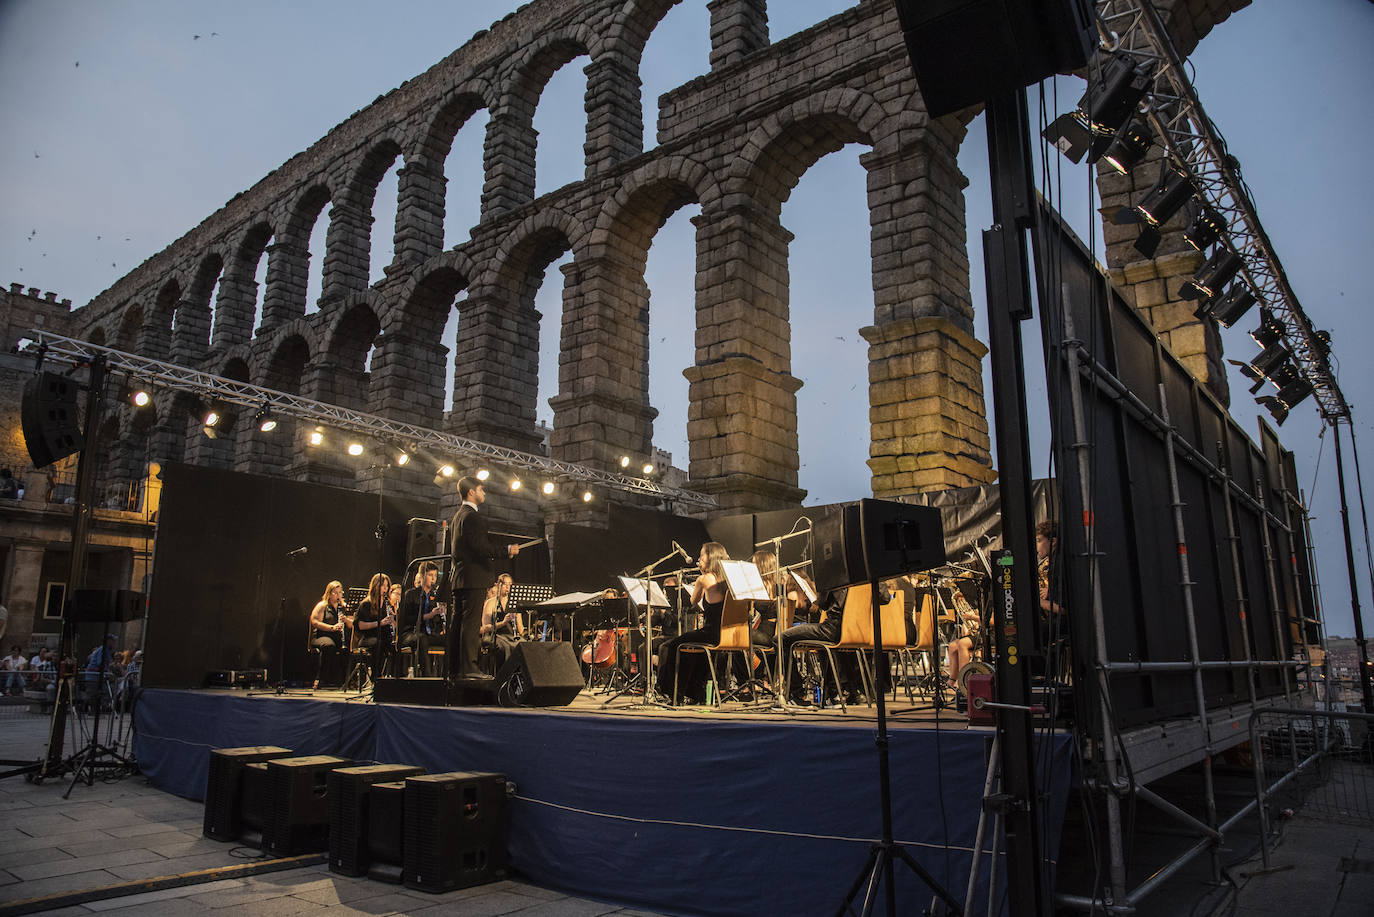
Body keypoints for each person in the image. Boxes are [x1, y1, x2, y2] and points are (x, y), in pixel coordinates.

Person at [450, 476, 519, 680]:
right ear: (471, 492)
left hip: (461, 577)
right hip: (474, 578)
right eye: (481, 489)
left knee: (459, 623)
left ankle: (455, 668)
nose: (484, 492)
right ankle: (469, 668)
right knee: (470, 624)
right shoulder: (472, 517)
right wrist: (505, 550)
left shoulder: (457, 516)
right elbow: (480, 547)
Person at [656, 542, 729, 703]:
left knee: (675, 645)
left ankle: (675, 693)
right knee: (693, 646)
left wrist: (701, 574)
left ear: (711, 558)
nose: (698, 558)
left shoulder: (703, 579)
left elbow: (693, 601)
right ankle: (696, 692)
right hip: (728, 633)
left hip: (712, 633)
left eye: (702, 555)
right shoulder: (729, 580)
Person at [399, 561, 446, 676]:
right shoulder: (410, 594)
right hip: (411, 633)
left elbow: (438, 620)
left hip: (430, 634)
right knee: (422, 640)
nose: (433, 579)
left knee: (450, 639)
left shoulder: (435, 596)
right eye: (430, 575)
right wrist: (428, 615)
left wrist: (443, 622)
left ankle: (447, 676)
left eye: (435, 576)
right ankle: (427, 678)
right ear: (422, 576)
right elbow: (406, 619)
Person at [351, 573, 395, 681]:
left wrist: (393, 619)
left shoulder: (387, 603)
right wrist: (380, 623)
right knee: (378, 643)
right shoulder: (366, 604)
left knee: (395, 647)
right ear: (376, 586)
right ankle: (376, 677)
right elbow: (360, 626)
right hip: (368, 638)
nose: (386, 588)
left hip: (384, 637)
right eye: (383, 586)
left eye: (387, 586)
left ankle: (392, 678)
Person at [308, 580, 352, 688]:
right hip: (321, 636)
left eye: (340, 592)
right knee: (329, 646)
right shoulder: (323, 605)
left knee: (347, 648)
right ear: (329, 593)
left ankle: (346, 681)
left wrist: (346, 620)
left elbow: (351, 625)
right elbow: (314, 622)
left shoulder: (344, 607)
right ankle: (322, 679)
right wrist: (332, 628)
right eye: (335, 593)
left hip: (337, 637)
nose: (338, 595)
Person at [481, 573, 522, 673]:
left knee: (523, 646)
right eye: (505, 584)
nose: (508, 587)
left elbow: (521, 630)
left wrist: (516, 617)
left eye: (510, 584)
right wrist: (503, 623)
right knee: (504, 648)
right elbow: (485, 627)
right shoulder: (491, 603)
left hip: (510, 636)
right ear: (499, 585)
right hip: (494, 635)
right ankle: (502, 676)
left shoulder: (514, 603)